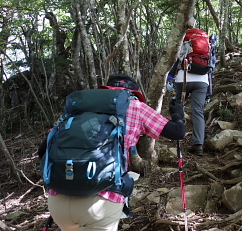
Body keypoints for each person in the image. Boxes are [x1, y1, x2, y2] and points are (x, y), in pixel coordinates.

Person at [38, 74, 185, 231]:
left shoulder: (78, 110)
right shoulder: (136, 106)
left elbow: (43, 151)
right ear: (133, 93)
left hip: (58, 199)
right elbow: (177, 132)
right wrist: (177, 114)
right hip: (101, 202)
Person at [174, 65, 208, 156]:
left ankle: (176, 138)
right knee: (198, 112)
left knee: (178, 107)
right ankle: (198, 144)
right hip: (202, 80)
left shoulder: (182, 49)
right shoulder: (207, 49)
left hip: (182, 78)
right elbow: (211, 66)